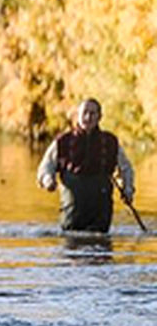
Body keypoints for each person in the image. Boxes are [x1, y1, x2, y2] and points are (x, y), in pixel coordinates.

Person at [36, 98, 135, 233]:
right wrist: (48, 180)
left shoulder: (110, 142)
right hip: (72, 213)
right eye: (85, 113)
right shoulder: (63, 141)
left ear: (100, 117)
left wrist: (128, 189)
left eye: (92, 113)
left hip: (101, 213)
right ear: (78, 115)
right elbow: (45, 167)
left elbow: (126, 168)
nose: (88, 117)